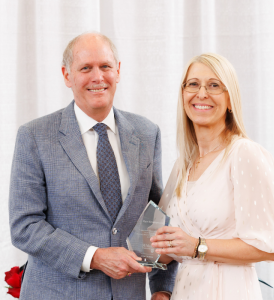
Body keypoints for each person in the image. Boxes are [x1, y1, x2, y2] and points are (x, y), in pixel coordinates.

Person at [9, 32, 178, 300]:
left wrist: (162, 289)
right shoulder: (35, 136)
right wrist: (96, 257)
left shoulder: (147, 133)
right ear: (67, 75)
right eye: (85, 68)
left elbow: (157, 219)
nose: (97, 77)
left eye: (105, 66)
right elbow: (24, 226)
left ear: (118, 71)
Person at [150, 53, 274, 299]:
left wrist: (197, 246)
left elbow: (271, 249)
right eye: (193, 84)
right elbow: (168, 247)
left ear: (230, 100)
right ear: (183, 95)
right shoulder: (181, 166)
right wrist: (137, 256)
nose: (202, 93)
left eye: (214, 85)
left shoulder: (245, 154)